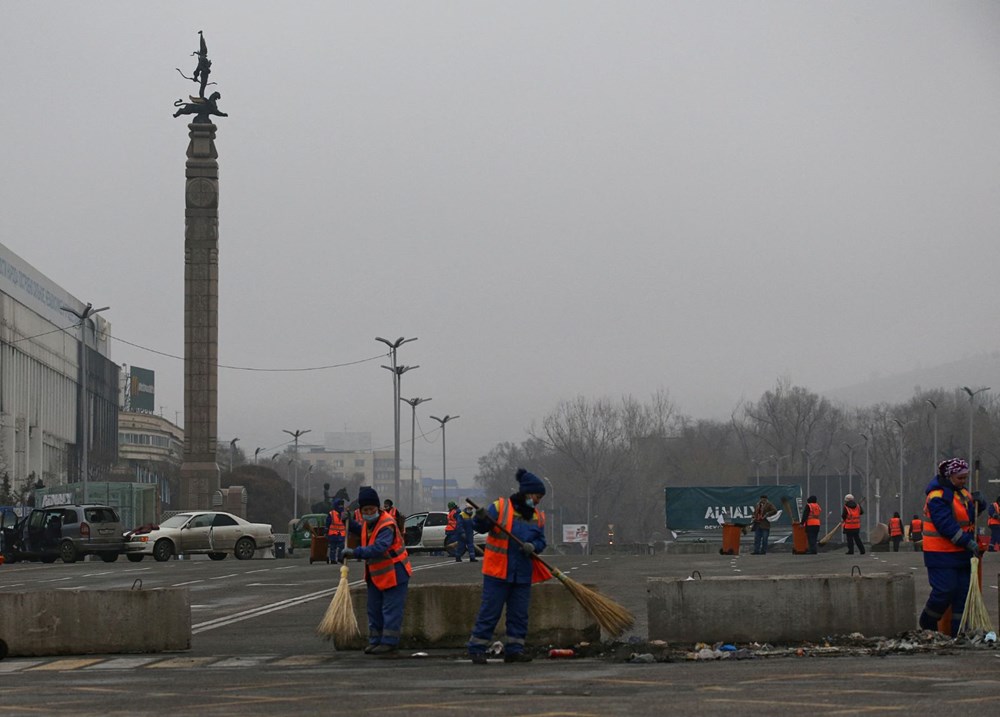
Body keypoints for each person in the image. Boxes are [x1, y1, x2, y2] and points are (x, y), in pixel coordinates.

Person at [467, 468, 549, 664]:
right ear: (527, 493)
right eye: (536, 496)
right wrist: (480, 517)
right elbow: (481, 527)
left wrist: (534, 547)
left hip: (521, 573)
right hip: (498, 571)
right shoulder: (500, 507)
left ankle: (515, 649)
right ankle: (477, 648)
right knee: (490, 612)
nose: (537, 501)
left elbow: (541, 540)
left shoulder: (538, 516)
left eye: (540, 498)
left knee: (519, 614)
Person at [918, 458, 987, 635]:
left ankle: (959, 632)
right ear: (949, 476)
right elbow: (946, 525)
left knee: (962, 595)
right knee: (945, 590)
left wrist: (979, 505)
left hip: (962, 554)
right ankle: (928, 622)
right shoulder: (936, 496)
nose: (963, 481)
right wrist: (967, 541)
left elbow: (967, 517)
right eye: (960, 478)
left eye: (965, 478)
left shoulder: (962, 493)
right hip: (940, 554)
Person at [340, 487, 412, 656]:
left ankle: (389, 642)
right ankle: (375, 640)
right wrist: (348, 523)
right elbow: (362, 530)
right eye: (365, 510)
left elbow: (379, 547)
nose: (369, 512)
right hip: (377, 575)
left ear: (377, 508)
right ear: (361, 511)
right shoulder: (369, 524)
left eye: (372, 509)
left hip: (395, 572)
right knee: (374, 609)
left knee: (390, 609)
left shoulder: (387, 524)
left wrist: (355, 552)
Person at [325, 498, 347, 564]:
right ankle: (339, 558)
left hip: (333, 534)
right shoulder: (344, 513)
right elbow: (347, 523)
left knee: (333, 548)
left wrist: (325, 531)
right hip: (340, 534)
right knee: (340, 547)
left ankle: (333, 559)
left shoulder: (331, 513)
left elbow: (327, 523)